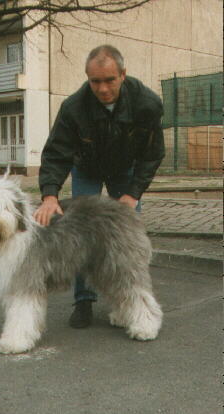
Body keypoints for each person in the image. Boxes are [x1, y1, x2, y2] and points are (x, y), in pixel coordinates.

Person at [33, 44, 165, 328]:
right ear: (87, 78)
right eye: (95, 81)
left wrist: (132, 194)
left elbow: (152, 154)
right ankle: (84, 302)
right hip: (87, 169)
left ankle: (131, 306)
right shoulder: (73, 107)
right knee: (80, 235)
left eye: (109, 80)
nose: (103, 88)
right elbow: (57, 152)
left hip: (125, 171)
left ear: (123, 75)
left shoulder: (147, 104)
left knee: (125, 241)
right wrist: (49, 195)